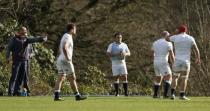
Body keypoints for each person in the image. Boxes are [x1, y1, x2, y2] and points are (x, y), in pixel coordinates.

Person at [6, 26, 47, 96]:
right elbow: (9, 48)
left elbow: (34, 39)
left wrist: (41, 39)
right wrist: (7, 57)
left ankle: (17, 91)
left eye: (25, 31)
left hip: (24, 61)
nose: (25, 32)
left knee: (21, 77)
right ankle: (10, 92)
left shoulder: (27, 39)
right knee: (14, 76)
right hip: (16, 60)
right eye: (23, 31)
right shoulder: (14, 39)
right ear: (19, 31)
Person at [54, 23, 87, 101]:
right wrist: (68, 57)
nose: (76, 30)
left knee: (60, 77)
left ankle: (56, 96)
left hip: (60, 59)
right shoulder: (68, 36)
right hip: (65, 60)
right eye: (75, 29)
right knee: (72, 77)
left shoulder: (65, 36)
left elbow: (61, 48)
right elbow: (64, 47)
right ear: (72, 29)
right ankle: (77, 95)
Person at [167, 25, 201, 100]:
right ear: (186, 31)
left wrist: (173, 33)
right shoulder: (190, 38)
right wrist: (198, 58)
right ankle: (182, 95)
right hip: (186, 61)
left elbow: (166, 38)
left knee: (175, 77)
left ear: (179, 30)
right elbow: (196, 49)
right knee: (184, 78)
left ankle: (172, 94)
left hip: (177, 61)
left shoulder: (175, 37)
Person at [151, 31, 175, 98]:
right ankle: (165, 94)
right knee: (169, 76)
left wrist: (154, 61)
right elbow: (171, 55)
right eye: (169, 36)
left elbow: (152, 53)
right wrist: (174, 64)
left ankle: (155, 94)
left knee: (158, 77)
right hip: (163, 62)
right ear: (166, 36)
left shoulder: (155, 42)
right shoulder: (168, 43)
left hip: (155, 62)